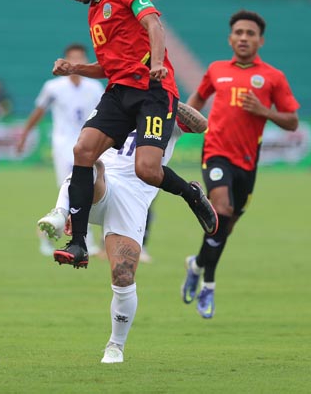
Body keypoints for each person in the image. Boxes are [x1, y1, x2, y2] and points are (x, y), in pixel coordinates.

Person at [51, 0, 217, 269]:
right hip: (119, 93)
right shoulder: (95, 13)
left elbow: (155, 26)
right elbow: (110, 66)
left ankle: (191, 194)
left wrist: (157, 65)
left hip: (153, 91)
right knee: (83, 150)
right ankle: (79, 244)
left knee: (147, 170)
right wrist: (75, 67)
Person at [38, 101, 208, 363]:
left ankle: (115, 346)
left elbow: (200, 124)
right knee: (88, 161)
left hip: (134, 196)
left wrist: (165, 97)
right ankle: (61, 213)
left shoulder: (166, 109)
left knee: (123, 275)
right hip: (104, 183)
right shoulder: (118, 101)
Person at [181, 10, 300, 319]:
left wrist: (264, 111)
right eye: (239, 32)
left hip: (247, 162)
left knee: (225, 227)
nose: (244, 37)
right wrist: (176, 129)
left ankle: (196, 265)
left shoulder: (273, 77)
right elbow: (195, 101)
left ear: (260, 40)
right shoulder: (216, 70)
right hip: (216, 152)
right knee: (221, 211)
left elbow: (292, 121)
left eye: (250, 33)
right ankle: (208, 284)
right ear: (230, 38)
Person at [16, 43, 104, 256]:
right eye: (72, 58)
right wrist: (25, 134)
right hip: (64, 145)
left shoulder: (95, 87)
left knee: (83, 191)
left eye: (80, 58)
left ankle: (50, 232)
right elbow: (39, 111)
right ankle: (86, 241)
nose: (76, 62)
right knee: (75, 191)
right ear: (65, 60)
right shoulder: (53, 87)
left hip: (88, 143)